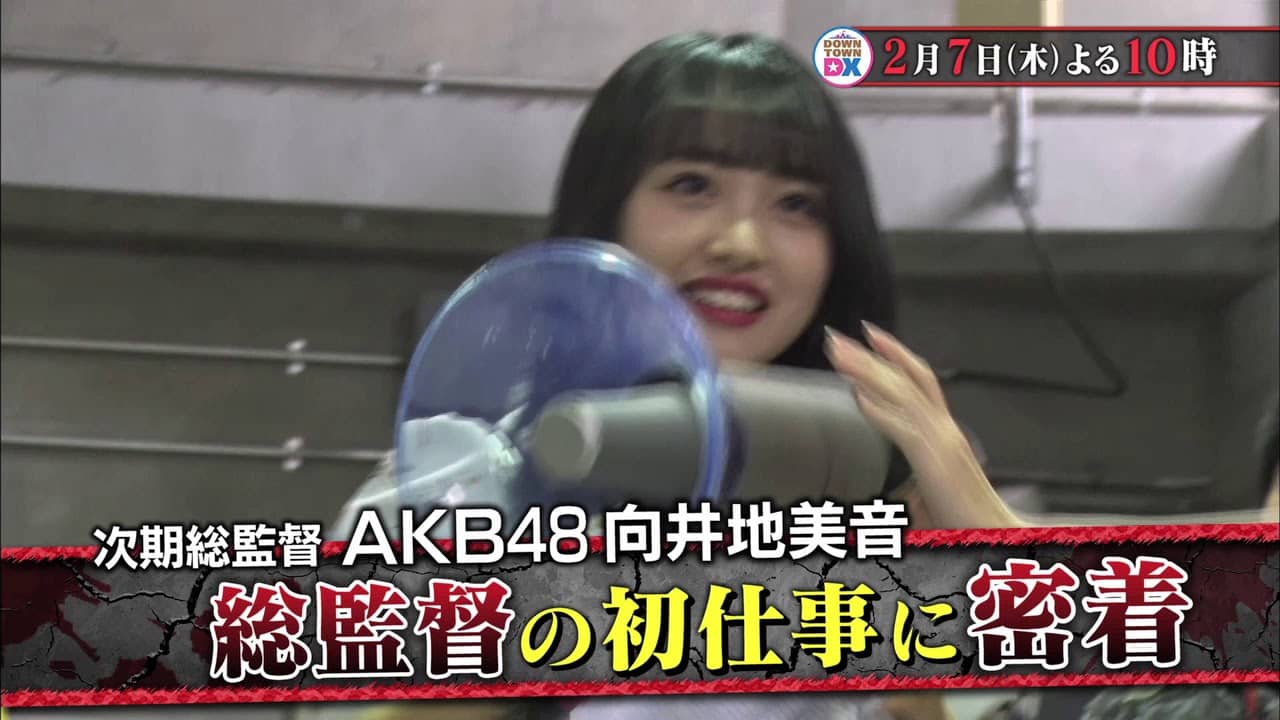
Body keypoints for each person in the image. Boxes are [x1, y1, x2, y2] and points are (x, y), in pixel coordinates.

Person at [337, 30, 1014, 720]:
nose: (742, 244)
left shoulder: (884, 527)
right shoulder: (456, 488)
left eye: (796, 204)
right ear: (607, 215)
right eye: (692, 186)